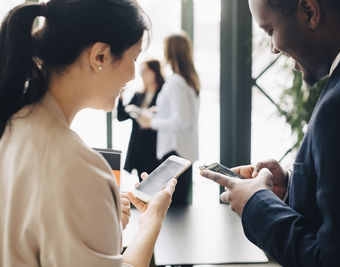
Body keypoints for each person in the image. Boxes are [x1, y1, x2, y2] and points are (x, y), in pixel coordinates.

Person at [200, 0, 340, 266]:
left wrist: (256, 205)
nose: (272, 48)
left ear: (310, 11)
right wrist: (292, 190)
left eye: (270, 30)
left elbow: (338, 260)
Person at [0, 1, 176, 267]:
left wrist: (102, 217)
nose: (132, 75)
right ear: (100, 56)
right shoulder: (79, 168)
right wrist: (153, 218)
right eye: (134, 58)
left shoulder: (13, 125)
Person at [137, 32, 200, 206]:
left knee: (173, 207)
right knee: (178, 206)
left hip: (175, 150)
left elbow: (181, 121)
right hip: (183, 150)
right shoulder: (189, 81)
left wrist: (151, 123)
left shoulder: (176, 82)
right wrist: (158, 113)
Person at [117, 59, 164, 178]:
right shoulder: (139, 95)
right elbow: (121, 117)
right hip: (138, 148)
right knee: (142, 182)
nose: (141, 74)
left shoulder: (163, 94)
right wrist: (120, 97)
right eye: (140, 71)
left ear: (154, 71)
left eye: (144, 70)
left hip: (155, 148)